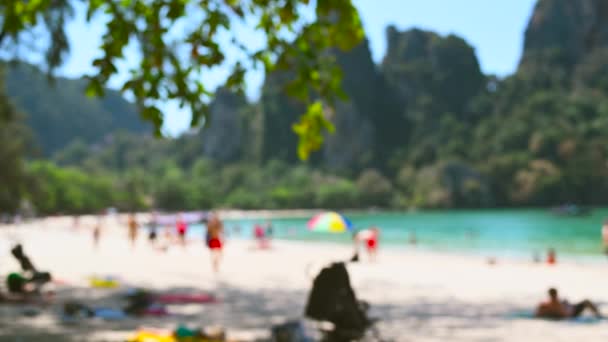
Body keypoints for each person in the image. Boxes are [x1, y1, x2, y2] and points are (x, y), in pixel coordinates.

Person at [535, 288, 602, 319]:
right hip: (572, 312)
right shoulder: (552, 305)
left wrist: (566, 304)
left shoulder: (545, 305)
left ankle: (598, 314)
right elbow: (566, 315)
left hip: (569, 309)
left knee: (586, 301)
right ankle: (598, 315)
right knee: (586, 302)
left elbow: (538, 314)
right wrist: (568, 307)